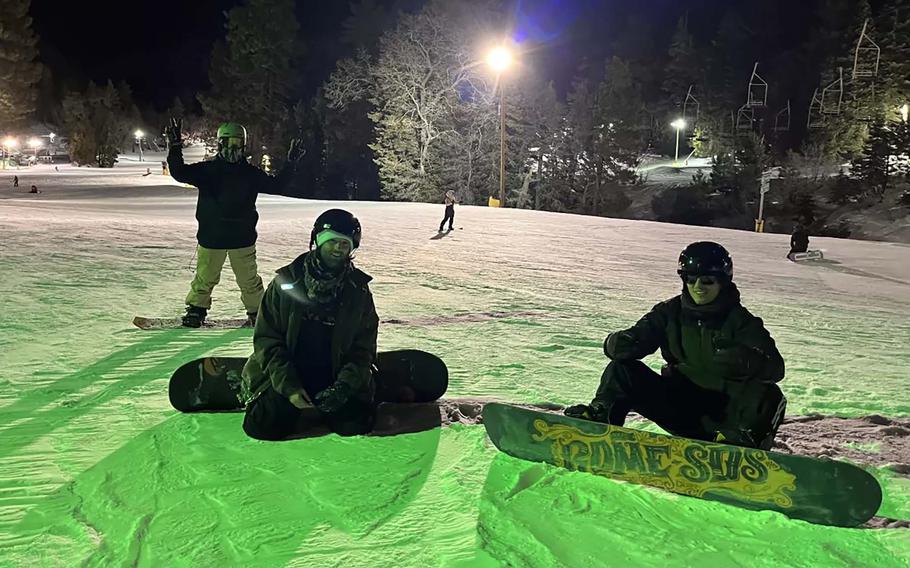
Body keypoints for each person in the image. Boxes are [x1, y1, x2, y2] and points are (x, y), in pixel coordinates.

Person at [565, 241, 786, 450]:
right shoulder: (668, 313)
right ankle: (599, 424)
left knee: (770, 395)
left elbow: (776, 368)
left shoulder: (742, 322)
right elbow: (635, 338)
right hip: (680, 407)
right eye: (691, 279)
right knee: (621, 369)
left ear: (722, 282)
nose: (698, 287)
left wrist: (747, 360)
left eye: (707, 280)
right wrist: (619, 344)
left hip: (724, 419)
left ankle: (741, 450)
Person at [240, 209, 379, 440]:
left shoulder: (358, 290)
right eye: (331, 241)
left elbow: (363, 347)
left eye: (344, 244)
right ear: (317, 241)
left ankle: (367, 384)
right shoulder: (286, 283)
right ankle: (262, 386)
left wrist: (343, 387)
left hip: (335, 375)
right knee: (262, 427)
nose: (337, 249)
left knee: (356, 425)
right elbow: (267, 339)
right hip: (293, 373)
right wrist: (289, 388)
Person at [164, 118, 305, 327]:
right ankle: (196, 310)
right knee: (205, 278)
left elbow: (278, 185)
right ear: (220, 144)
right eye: (229, 143)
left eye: (237, 144)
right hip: (212, 237)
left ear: (243, 146)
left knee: (249, 281)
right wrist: (174, 147)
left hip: (242, 238)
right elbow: (179, 173)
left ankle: (258, 313)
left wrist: (291, 164)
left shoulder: (250, 173)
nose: (233, 148)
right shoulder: (207, 171)